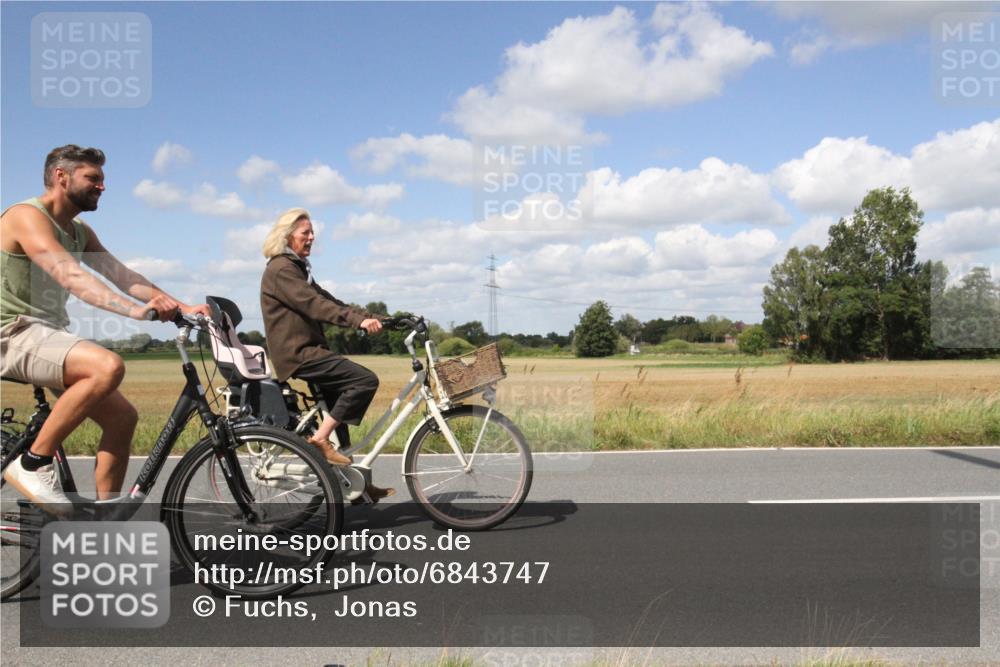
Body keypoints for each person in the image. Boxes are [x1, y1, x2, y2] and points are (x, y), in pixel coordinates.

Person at [1, 144, 210, 513]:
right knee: (106, 366)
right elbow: (70, 275)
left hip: (47, 336)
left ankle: (104, 522)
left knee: (122, 418)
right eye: (93, 178)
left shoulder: (79, 231)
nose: (102, 186)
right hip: (11, 333)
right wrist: (134, 311)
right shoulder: (25, 216)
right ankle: (32, 463)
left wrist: (181, 307)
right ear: (61, 177)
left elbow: (121, 275)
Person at [260, 207, 393, 500]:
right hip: (298, 353)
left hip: (309, 350)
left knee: (338, 415)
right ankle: (319, 439)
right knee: (364, 380)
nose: (311, 237)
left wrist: (379, 318)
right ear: (287, 236)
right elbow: (316, 306)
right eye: (305, 232)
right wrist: (357, 322)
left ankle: (353, 482)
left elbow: (331, 301)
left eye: (312, 233)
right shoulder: (281, 269)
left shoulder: (296, 268)